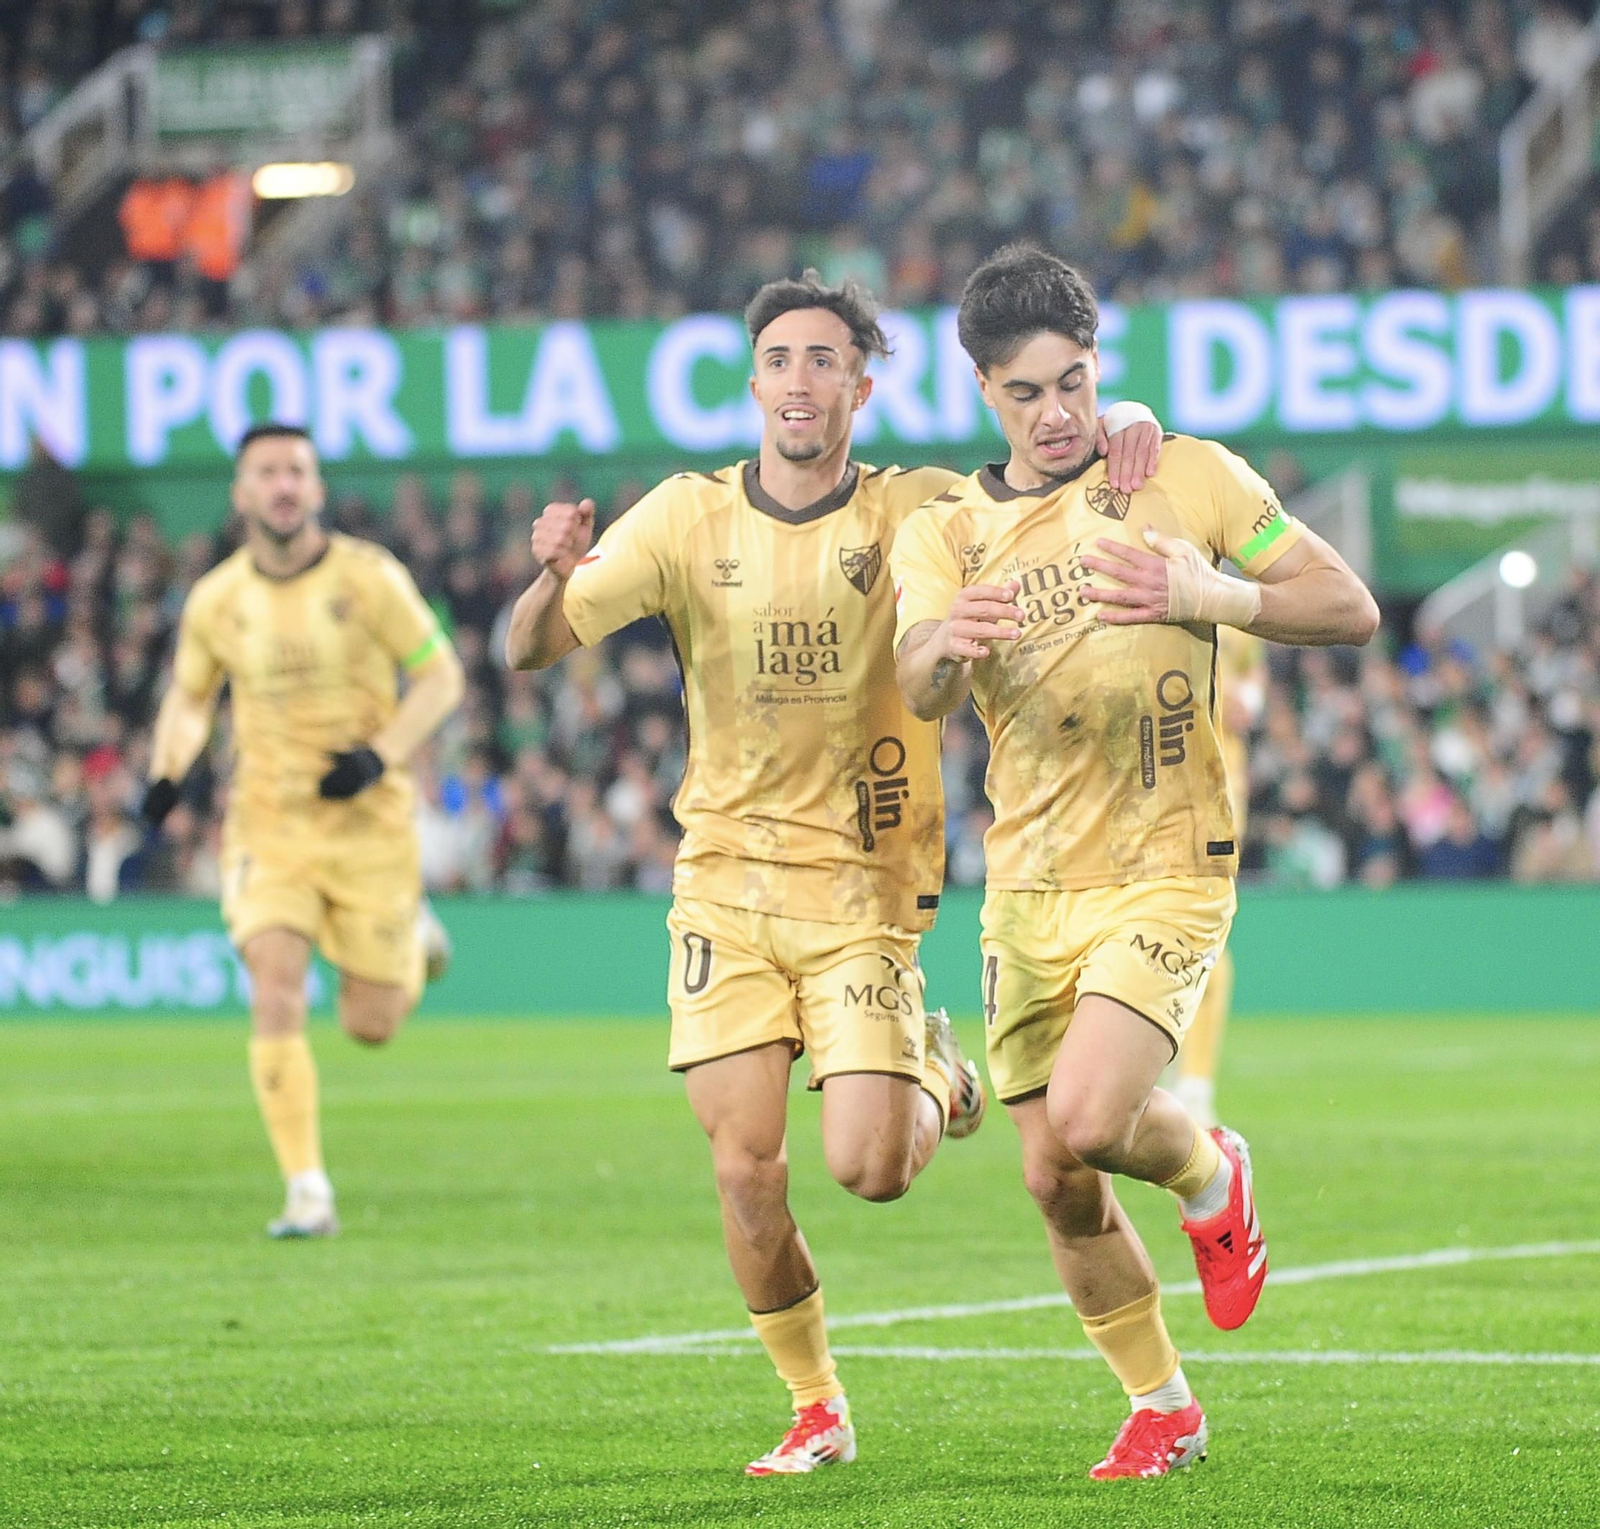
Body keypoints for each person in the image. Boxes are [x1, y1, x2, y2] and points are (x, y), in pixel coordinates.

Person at [504, 270, 1163, 1477]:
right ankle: (815, 1403)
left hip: (864, 888)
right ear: (753, 382)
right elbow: (528, 649)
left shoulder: (917, 507)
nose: (799, 381)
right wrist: (549, 573)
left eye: (824, 361)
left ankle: (937, 1066)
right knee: (744, 1164)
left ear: (863, 382)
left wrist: (1130, 428)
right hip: (723, 885)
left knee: (870, 1169)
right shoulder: (683, 516)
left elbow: (1046, 461)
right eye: (779, 360)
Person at [892, 244, 1378, 1481]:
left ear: (1099, 363)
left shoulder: (1188, 475)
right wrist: (944, 646)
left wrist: (1210, 593)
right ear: (981, 392)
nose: (1057, 414)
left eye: (1074, 381)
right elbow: (914, 678)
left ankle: (1215, 1169)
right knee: (1054, 1172)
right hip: (1030, 883)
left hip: (1168, 859)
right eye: (1024, 393)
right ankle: (1161, 1403)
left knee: (1098, 1115)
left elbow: (1347, 604)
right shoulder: (945, 531)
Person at [142, 423, 464, 1238]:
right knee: (275, 982)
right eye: (267, 473)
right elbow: (188, 697)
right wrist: (167, 771)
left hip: (368, 825)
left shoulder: (369, 577)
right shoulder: (217, 599)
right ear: (241, 495)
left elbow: (441, 675)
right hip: (268, 823)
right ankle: (307, 1190)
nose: (284, 485)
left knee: (371, 1022)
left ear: (316, 489)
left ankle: (413, 939)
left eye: (297, 471)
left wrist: (378, 755)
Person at [1173, 624, 1268, 1128]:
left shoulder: (1231, 609)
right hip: (1147, 781)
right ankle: (1159, 1059)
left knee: (1203, 927)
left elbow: (1252, 683)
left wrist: (1246, 700)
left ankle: (1194, 1084)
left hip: (1217, 785)